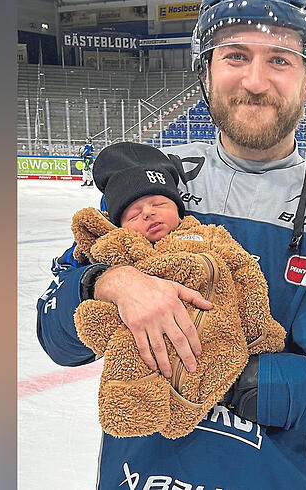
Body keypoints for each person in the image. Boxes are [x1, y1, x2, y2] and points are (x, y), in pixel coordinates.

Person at [37, 0, 306, 489]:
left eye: (280, 59)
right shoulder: (148, 183)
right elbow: (57, 338)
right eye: (235, 55)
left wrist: (218, 360)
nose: (255, 81)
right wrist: (110, 283)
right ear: (205, 69)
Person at [69, 140, 285, 439]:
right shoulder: (123, 252)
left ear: (178, 209)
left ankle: (179, 408)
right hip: (147, 344)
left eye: (159, 204)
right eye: (133, 214)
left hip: (217, 338)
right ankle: (128, 408)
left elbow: (245, 273)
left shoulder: (208, 236)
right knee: (119, 343)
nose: (148, 213)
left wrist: (259, 332)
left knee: (207, 371)